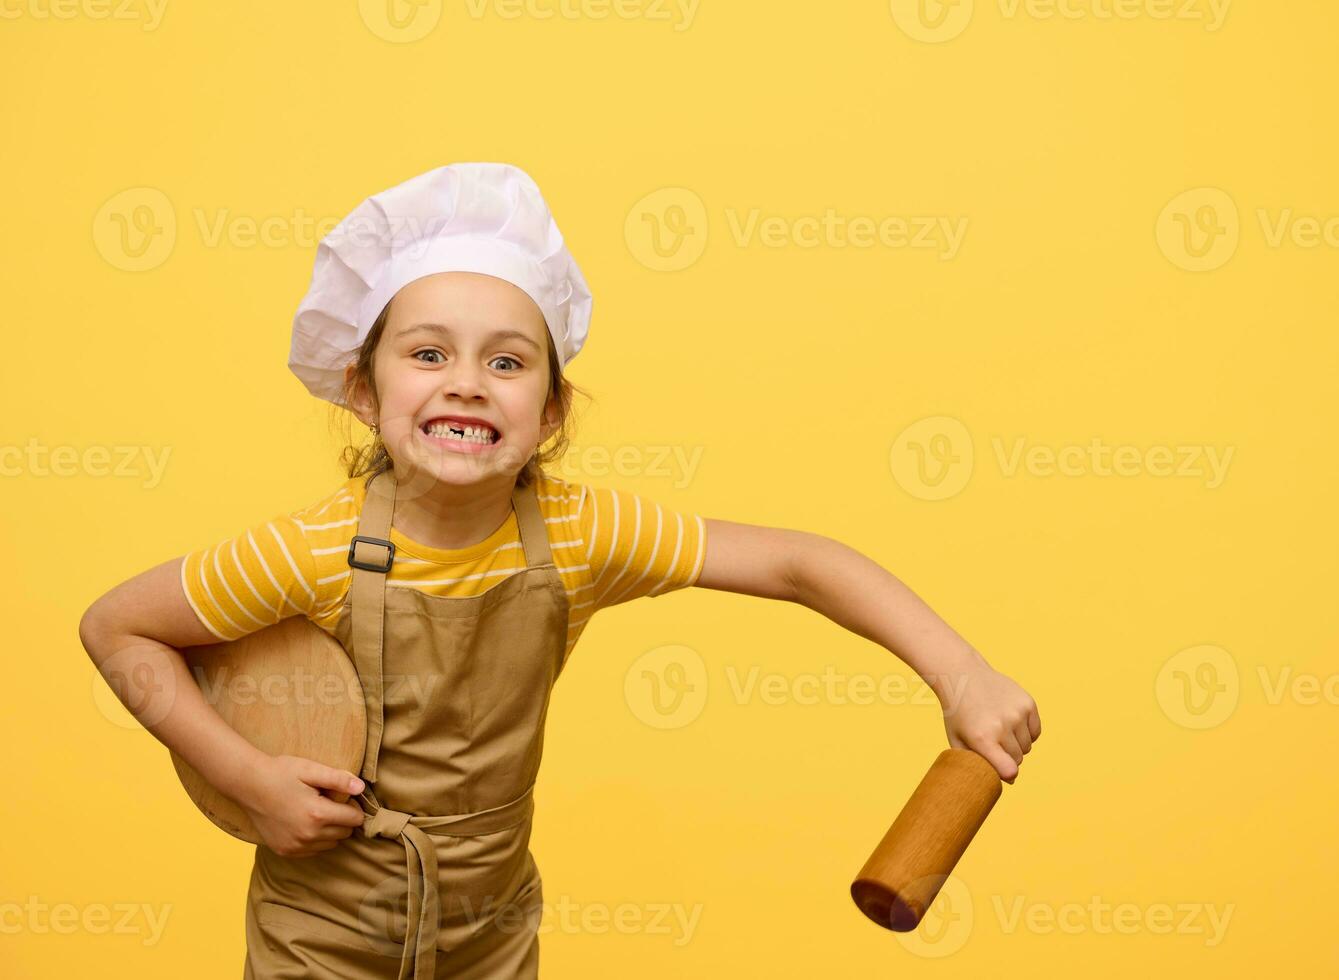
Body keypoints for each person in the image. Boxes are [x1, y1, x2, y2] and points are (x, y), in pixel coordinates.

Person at [77, 162, 1041, 978]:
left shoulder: (581, 535)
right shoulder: (310, 550)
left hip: (493, 938)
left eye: (507, 362)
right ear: (364, 394)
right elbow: (116, 628)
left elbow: (798, 563)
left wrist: (962, 674)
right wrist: (248, 780)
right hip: (318, 942)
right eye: (427, 353)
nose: (465, 380)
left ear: (549, 415)